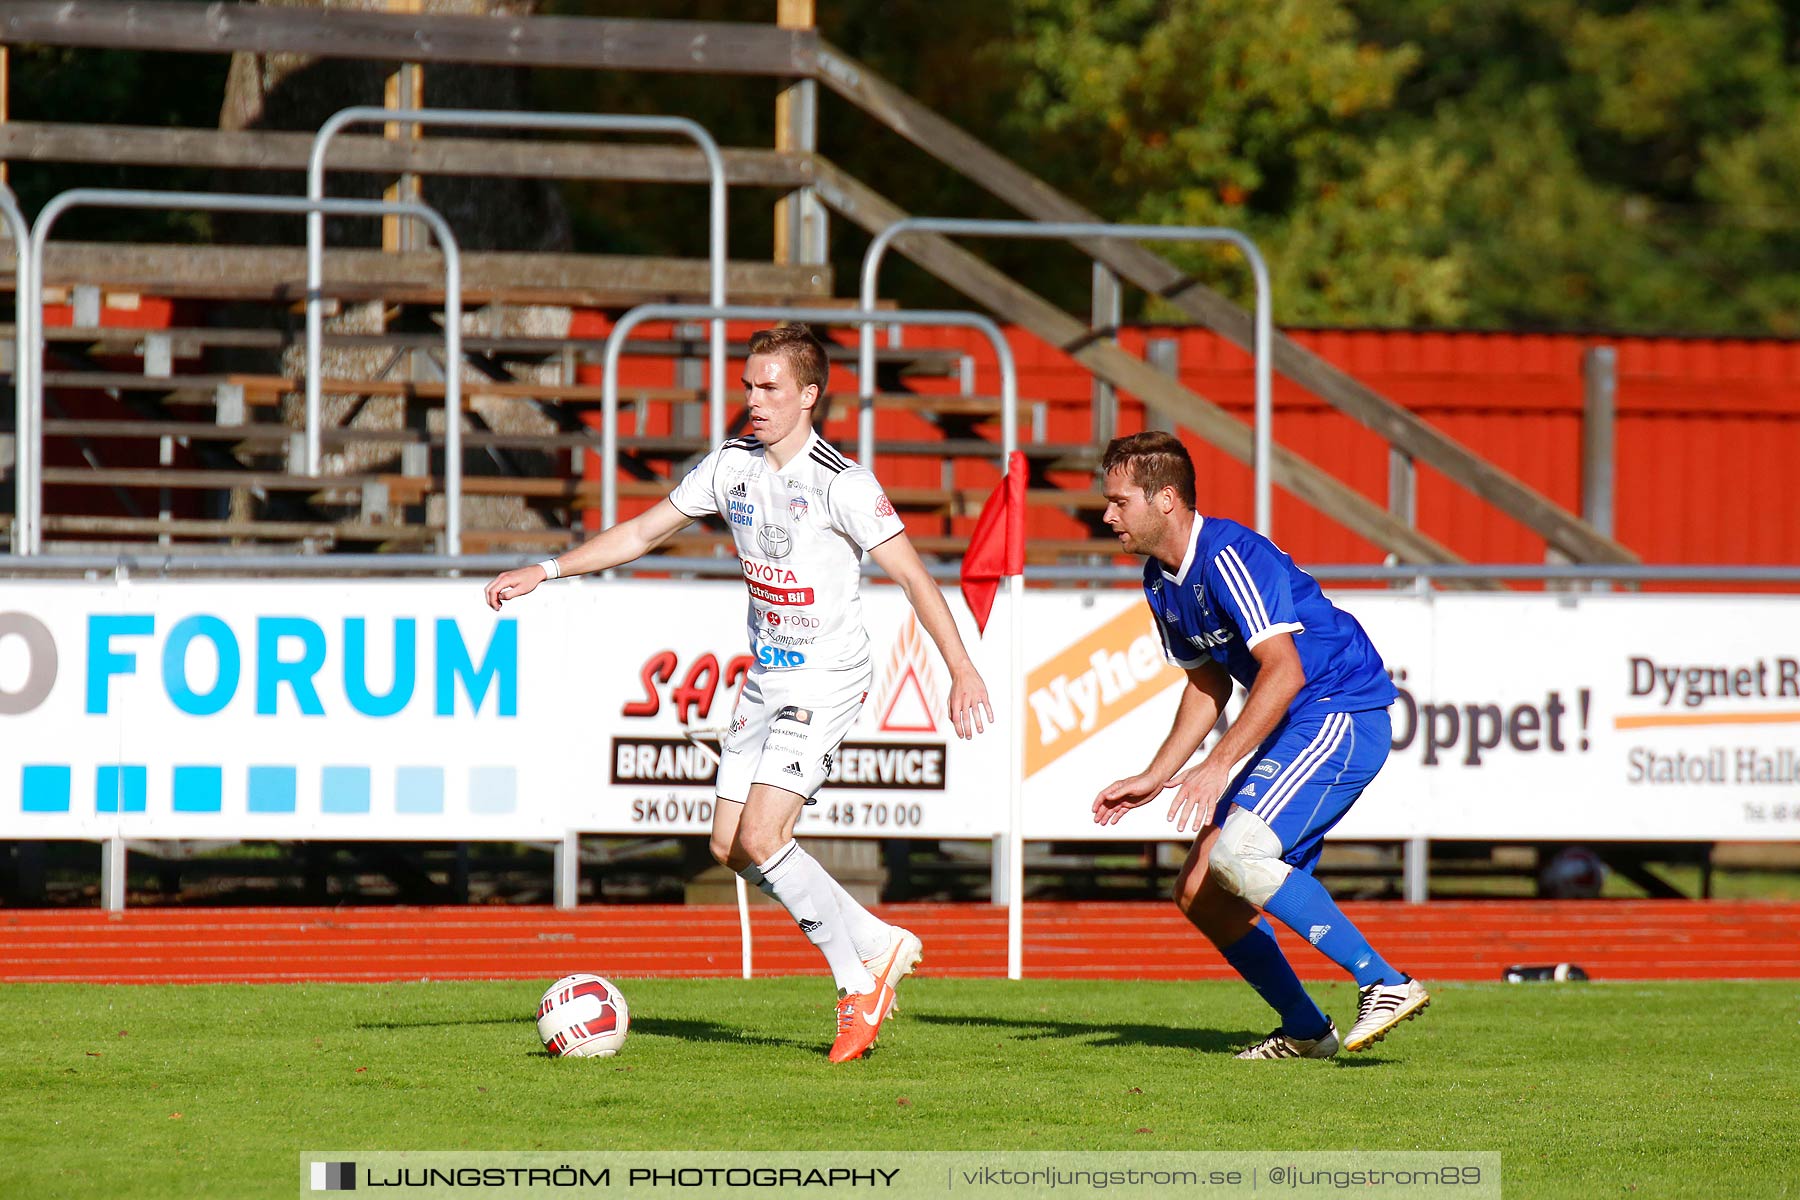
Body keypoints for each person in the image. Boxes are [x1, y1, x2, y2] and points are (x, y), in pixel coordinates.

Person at [485, 324, 993, 1063]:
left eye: (769, 388)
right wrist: (549, 570)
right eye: (748, 386)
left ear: (810, 395)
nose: (752, 400)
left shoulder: (841, 483)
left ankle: (859, 983)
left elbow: (915, 577)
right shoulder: (730, 467)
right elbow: (641, 532)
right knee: (728, 845)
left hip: (826, 678)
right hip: (767, 675)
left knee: (763, 836)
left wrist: (962, 668)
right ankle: (879, 940)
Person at [1091, 431, 1429, 1058]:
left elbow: (1285, 670)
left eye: (1118, 501)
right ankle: (1305, 1029)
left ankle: (1383, 980)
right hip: (1299, 720)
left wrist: (1218, 765)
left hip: (1339, 710)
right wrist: (1157, 773)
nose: (1107, 514)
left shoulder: (1227, 554)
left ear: (1166, 499)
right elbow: (1207, 680)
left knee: (1238, 855)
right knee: (1200, 893)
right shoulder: (1160, 577)